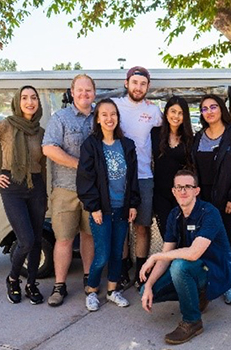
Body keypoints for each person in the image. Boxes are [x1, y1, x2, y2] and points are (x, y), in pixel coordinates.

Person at [0, 86, 47, 305]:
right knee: (26, 240)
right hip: (12, 187)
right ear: (17, 101)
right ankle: (13, 279)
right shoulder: (6, 125)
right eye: (24, 98)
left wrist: (44, 195)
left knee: (37, 241)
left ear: (38, 103)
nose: (29, 102)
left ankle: (31, 283)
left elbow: (42, 166)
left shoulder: (40, 132)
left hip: (36, 187)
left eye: (33, 98)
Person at [139, 169, 231, 345]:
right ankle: (198, 295)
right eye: (179, 187)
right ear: (173, 191)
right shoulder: (174, 215)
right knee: (146, 291)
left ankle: (192, 321)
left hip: (215, 270)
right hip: (195, 268)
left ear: (196, 190)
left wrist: (154, 256)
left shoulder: (209, 213)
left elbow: (193, 253)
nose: (183, 191)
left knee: (179, 267)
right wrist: (149, 285)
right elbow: (166, 257)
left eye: (188, 187)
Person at [76, 99, 141, 311]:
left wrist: (132, 204)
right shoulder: (91, 145)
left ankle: (113, 290)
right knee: (102, 254)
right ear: (97, 118)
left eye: (113, 114)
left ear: (118, 117)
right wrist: (93, 207)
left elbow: (132, 179)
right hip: (101, 210)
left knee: (117, 253)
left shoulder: (127, 145)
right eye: (104, 114)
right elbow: (85, 179)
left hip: (122, 209)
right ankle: (92, 290)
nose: (109, 118)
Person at [192, 94, 231, 305]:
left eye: (213, 107)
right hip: (204, 199)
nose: (209, 111)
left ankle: (228, 285)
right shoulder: (198, 137)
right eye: (204, 109)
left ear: (221, 109)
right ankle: (207, 283)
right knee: (204, 241)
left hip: (228, 198)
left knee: (227, 241)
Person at [42, 74, 96, 307]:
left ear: (94, 93)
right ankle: (59, 286)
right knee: (63, 239)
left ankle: (88, 279)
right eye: (80, 90)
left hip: (93, 191)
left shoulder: (102, 116)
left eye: (89, 90)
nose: (84, 94)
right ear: (72, 93)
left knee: (89, 236)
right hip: (65, 190)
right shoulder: (60, 118)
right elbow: (49, 149)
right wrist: (80, 164)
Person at [112, 66, 162, 288]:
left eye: (143, 84)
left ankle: (141, 272)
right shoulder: (114, 106)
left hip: (144, 177)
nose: (138, 87)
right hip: (117, 176)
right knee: (121, 226)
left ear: (148, 87)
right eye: (135, 82)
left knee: (142, 226)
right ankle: (122, 269)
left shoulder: (153, 111)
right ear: (127, 83)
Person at [151, 96, 194, 238]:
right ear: (166, 112)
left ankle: (181, 260)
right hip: (160, 192)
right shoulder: (155, 133)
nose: (176, 116)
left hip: (182, 193)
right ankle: (171, 260)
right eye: (173, 111)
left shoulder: (189, 139)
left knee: (183, 232)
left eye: (180, 113)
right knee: (167, 233)